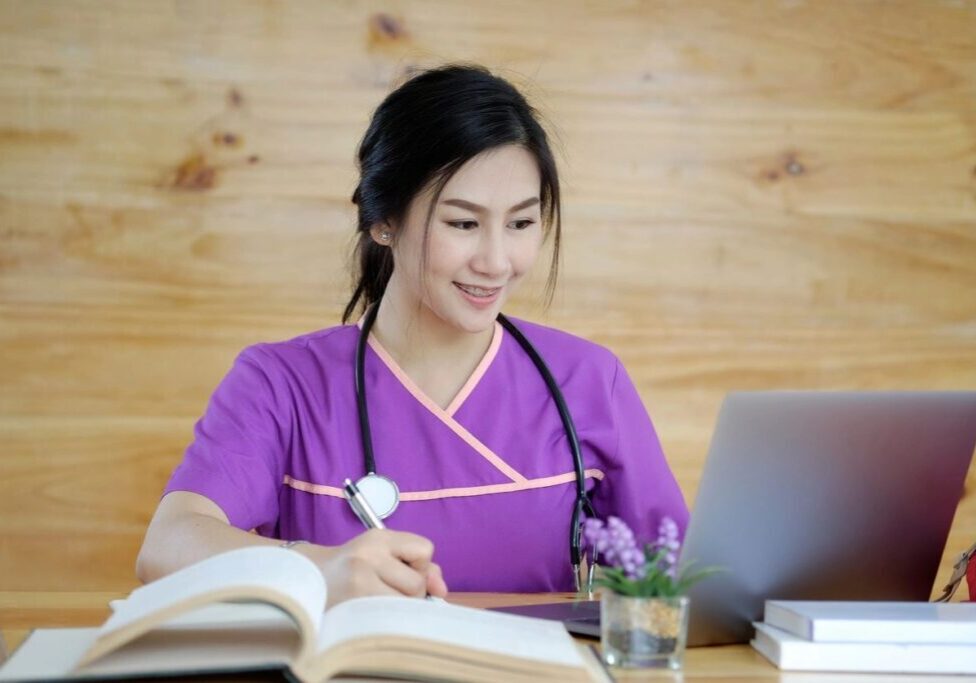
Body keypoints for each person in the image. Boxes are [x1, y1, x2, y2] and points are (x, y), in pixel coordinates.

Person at [136, 63, 689, 607]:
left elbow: (684, 577)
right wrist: (317, 569)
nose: (497, 262)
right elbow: (167, 545)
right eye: (463, 223)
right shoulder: (282, 384)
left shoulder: (589, 380)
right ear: (384, 222)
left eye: (521, 223)